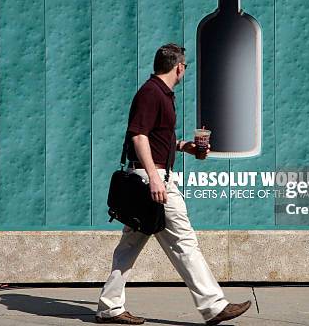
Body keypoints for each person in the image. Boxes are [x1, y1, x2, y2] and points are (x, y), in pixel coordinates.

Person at [96, 43, 251, 325]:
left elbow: (157, 138)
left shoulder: (162, 94)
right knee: (184, 241)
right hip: (153, 183)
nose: (184, 71)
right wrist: (156, 179)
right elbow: (139, 136)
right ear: (179, 66)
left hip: (148, 179)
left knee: (129, 247)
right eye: (185, 66)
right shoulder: (152, 93)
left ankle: (109, 307)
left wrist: (186, 147)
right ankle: (214, 306)